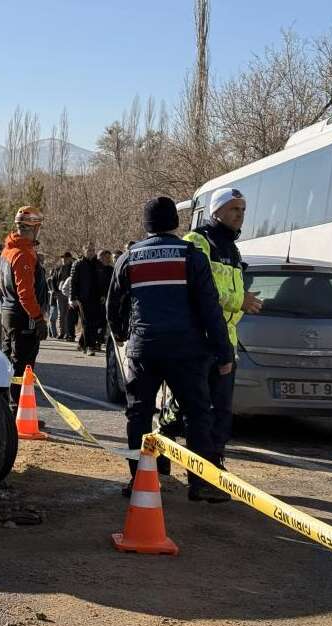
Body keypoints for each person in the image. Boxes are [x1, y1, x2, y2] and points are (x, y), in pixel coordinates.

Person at [108, 197, 232, 502]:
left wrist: (122, 334)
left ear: (147, 224)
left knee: (139, 414)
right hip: (187, 351)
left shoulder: (130, 257)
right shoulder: (191, 256)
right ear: (175, 223)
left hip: (144, 350)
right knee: (197, 415)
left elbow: (113, 305)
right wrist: (224, 352)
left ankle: (140, 480)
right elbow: (210, 308)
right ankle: (200, 484)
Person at [183, 187, 263, 472]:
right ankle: (172, 453)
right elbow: (199, 290)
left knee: (222, 411)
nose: (240, 215)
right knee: (192, 410)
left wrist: (243, 302)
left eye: (243, 210)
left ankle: (214, 464)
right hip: (199, 339)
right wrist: (239, 301)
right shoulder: (198, 241)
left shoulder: (233, 246)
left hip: (225, 341)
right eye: (234, 209)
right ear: (216, 211)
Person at [0, 206, 48, 410]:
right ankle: (16, 412)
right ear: (34, 227)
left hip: (8, 313)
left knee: (9, 362)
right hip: (23, 317)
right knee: (22, 366)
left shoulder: (8, 249)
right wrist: (38, 318)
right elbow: (25, 293)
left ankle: (7, 410)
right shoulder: (23, 254)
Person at [70, 243, 102, 355]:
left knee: (94, 322)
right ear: (84, 251)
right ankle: (89, 346)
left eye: (92, 250)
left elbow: (102, 281)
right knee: (86, 322)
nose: (91, 252)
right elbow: (73, 282)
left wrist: (103, 295)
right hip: (82, 298)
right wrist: (72, 298)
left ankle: (81, 343)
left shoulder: (98, 264)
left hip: (96, 297)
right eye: (88, 250)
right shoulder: (78, 264)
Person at [48, 252, 73, 340]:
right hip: (60, 293)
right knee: (61, 314)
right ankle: (62, 332)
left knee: (68, 314)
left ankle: (69, 333)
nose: (64, 259)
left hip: (70, 293)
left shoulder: (73, 267)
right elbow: (53, 280)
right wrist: (55, 292)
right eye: (63, 258)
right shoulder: (58, 268)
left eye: (66, 258)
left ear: (70, 259)